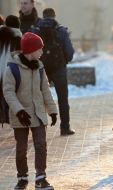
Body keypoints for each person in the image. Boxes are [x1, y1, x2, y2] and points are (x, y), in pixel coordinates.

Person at [3, 32, 57, 190]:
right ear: (30, 50)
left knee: (41, 145)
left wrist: (52, 110)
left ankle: (41, 178)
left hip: (38, 114)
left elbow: (45, 90)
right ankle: (22, 178)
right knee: (21, 148)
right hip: (20, 115)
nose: (42, 51)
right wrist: (19, 111)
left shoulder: (39, 68)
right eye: (39, 49)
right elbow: (8, 92)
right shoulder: (12, 68)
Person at [33, 8, 75, 136]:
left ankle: (38, 129)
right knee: (63, 99)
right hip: (59, 69)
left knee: (39, 99)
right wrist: (64, 61)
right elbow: (70, 52)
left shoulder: (36, 30)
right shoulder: (61, 30)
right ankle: (65, 128)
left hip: (41, 68)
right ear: (54, 16)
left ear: (43, 16)